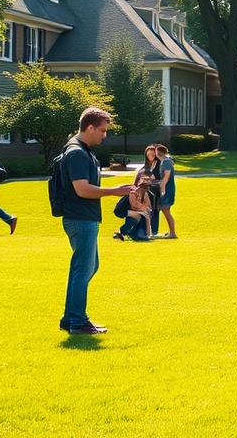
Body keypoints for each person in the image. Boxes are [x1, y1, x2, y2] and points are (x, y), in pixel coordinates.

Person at [59, 107, 135, 334]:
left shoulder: (80, 150)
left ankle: (70, 318)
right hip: (80, 218)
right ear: (90, 128)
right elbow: (82, 189)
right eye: (102, 130)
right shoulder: (77, 153)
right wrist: (114, 191)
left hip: (82, 217)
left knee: (88, 267)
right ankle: (77, 320)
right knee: (83, 269)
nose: (105, 135)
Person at [113, 176, 153, 241]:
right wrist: (143, 208)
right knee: (139, 216)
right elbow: (134, 206)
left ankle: (138, 234)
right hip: (121, 210)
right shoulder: (133, 193)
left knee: (142, 216)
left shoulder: (144, 194)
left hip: (132, 210)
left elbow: (148, 205)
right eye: (146, 187)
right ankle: (127, 232)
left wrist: (143, 208)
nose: (147, 189)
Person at [154, 144, 177, 239]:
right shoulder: (165, 161)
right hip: (167, 189)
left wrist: (162, 191)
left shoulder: (166, 162)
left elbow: (166, 178)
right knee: (166, 211)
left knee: (166, 211)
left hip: (167, 190)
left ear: (158, 152)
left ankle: (172, 233)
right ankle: (171, 232)